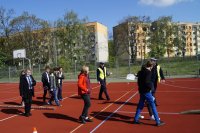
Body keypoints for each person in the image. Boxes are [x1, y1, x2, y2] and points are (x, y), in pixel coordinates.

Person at [133, 61, 165, 126]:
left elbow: (138, 82)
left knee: (140, 105)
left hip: (141, 91)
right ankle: (158, 122)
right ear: (151, 66)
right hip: (146, 91)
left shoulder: (140, 72)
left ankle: (136, 119)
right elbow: (147, 82)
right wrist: (151, 88)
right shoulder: (148, 72)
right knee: (153, 105)